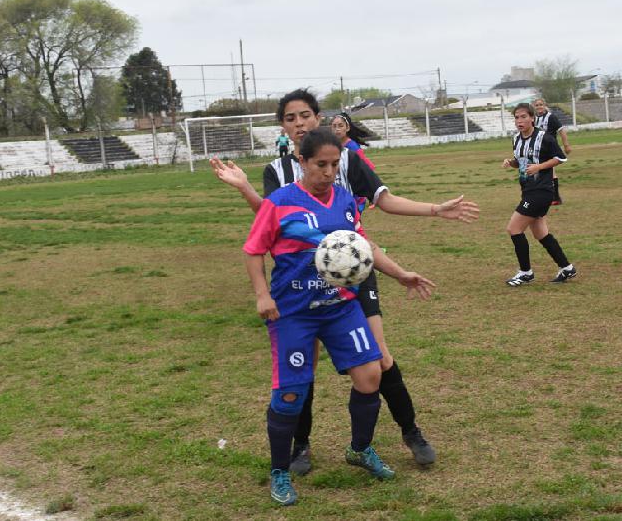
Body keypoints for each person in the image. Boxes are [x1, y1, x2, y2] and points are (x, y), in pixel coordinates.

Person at [212, 88, 480, 474]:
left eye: (305, 115)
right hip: (302, 281)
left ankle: (410, 432)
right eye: (290, 118)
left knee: (378, 358)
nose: (299, 123)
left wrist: (435, 210)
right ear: (283, 128)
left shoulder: (349, 160)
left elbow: (384, 200)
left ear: (318, 118)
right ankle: (301, 445)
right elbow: (271, 218)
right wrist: (245, 188)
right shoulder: (278, 170)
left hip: (354, 273)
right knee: (305, 367)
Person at [244, 128, 436, 505]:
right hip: (293, 313)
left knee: (370, 376)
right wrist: (262, 294)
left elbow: (362, 247)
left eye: (334, 164)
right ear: (302, 162)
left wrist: (400, 273)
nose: (329, 172)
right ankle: (280, 472)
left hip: (340, 307)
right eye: (320, 165)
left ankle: (360, 449)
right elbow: (253, 250)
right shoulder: (280, 202)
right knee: (290, 393)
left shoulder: (346, 200)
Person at [501, 102, 577, 286]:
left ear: (532, 118)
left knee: (514, 229)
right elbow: (522, 162)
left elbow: (561, 157)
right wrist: (511, 163)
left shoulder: (544, 137)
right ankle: (567, 268)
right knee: (541, 233)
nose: (520, 121)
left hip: (541, 191)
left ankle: (525, 272)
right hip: (527, 190)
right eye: (517, 117)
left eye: (523, 117)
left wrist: (540, 167)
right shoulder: (516, 139)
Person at [533, 98, 572, 205]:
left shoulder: (551, 117)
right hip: (539, 149)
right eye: (537, 105)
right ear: (534, 107)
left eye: (541, 104)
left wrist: (566, 145)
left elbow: (561, 130)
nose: (539, 107)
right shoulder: (535, 119)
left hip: (550, 147)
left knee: (550, 171)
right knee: (543, 171)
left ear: (545, 105)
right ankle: (551, 197)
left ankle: (555, 197)